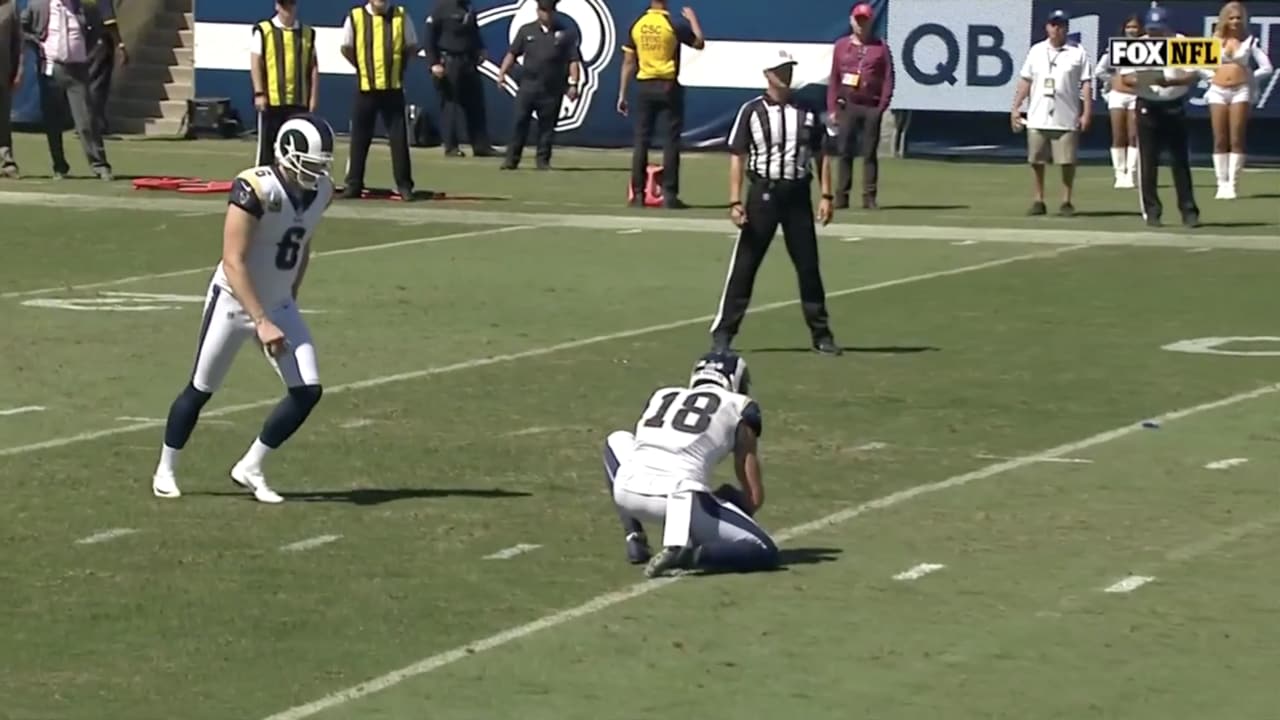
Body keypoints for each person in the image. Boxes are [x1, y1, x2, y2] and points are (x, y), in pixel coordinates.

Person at [151, 114, 336, 504]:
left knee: (307, 390)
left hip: (277, 303)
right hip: (234, 301)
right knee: (201, 388)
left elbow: (302, 247)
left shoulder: (321, 191)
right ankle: (165, 468)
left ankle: (251, 466)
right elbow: (233, 260)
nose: (315, 172)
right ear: (286, 153)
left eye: (321, 165)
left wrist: (289, 298)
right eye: (310, 163)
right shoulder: (255, 187)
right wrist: (262, 320)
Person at [602, 351, 779, 577]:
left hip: (626, 490)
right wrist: (731, 501)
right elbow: (754, 497)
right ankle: (689, 554)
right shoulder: (740, 405)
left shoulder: (663, 394)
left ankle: (634, 536)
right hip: (679, 500)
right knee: (765, 550)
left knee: (616, 439)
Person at [710, 50, 841, 357]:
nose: (785, 75)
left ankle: (821, 334)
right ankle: (724, 333)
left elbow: (821, 154)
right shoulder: (752, 111)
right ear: (767, 74)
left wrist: (826, 195)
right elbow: (737, 156)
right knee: (746, 265)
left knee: (808, 266)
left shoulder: (807, 111)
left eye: (789, 69)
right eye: (780, 70)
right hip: (763, 194)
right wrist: (734, 200)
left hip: (797, 194)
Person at [1118, 4, 1200, 228]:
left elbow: (1192, 75)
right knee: (1148, 161)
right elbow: (1126, 78)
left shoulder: (1181, 43)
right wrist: (1144, 80)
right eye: (1152, 29)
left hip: (1174, 105)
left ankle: (1188, 210)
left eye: (1159, 29)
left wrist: (1171, 81)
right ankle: (1152, 211)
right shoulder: (1137, 46)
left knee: (1180, 161)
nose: (1155, 33)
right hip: (1148, 105)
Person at [617, 0, 704, 209]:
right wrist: (692, 19)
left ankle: (637, 194)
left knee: (641, 141)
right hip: (667, 85)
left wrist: (622, 94)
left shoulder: (638, 25)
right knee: (671, 141)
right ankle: (669, 194)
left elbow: (629, 62)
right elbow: (699, 43)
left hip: (645, 86)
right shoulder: (673, 25)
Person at [1009, 9, 1092, 216]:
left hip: (1067, 115)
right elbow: (1025, 80)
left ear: (1066, 28)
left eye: (1061, 25)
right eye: (1053, 24)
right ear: (1047, 27)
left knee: (1067, 161)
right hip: (1038, 114)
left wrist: (1086, 112)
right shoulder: (1036, 50)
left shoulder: (1078, 52)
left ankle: (1066, 200)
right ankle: (1038, 199)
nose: (1057, 29)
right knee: (1036, 160)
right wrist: (1016, 107)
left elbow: (1086, 84)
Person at [21, 0, 113, 180]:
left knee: (86, 120)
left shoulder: (86, 7)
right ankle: (59, 166)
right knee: (53, 122)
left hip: (77, 69)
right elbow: (23, 28)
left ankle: (99, 164)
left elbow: (95, 31)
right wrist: (37, 43)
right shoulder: (38, 5)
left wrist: (82, 50)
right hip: (50, 68)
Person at [340, 0, 417, 201]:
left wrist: (398, 68)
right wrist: (363, 67)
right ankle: (354, 184)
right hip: (366, 89)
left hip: (393, 88)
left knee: (398, 139)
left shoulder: (401, 16)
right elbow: (347, 48)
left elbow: (411, 46)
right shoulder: (356, 17)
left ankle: (404, 185)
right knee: (359, 138)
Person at [496, 0, 582, 170]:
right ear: (537, 12)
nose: (546, 15)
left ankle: (543, 161)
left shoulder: (564, 33)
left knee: (547, 127)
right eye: (543, 11)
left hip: (552, 88)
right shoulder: (526, 31)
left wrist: (573, 83)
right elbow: (512, 54)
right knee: (520, 122)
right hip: (528, 86)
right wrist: (502, 73)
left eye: (549, 11)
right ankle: (511, 159)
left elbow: (573, 60)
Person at [826, 2, 894, 210]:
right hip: (848, 105)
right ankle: (841, 195)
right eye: (858, 21)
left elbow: (888, 79)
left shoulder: (880, 48)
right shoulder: (841, 46)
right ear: (851, 21)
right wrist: (832, 109)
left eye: (865, 21)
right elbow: (835, 79)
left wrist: (882, 106)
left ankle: (869, 196)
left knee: (869, 152)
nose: (861, 25)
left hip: (870, 106)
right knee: (845, 151)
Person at [1205, 1, 1273, 200]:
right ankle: (1220, 182)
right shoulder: (1214, 40)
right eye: (1231, 18)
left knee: (1236, 138)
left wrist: (1249, 76)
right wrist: (1210, 76)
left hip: (1240, 90)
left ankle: (1232, 184)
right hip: (1217, 90)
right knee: (1219, 138)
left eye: (1238, 18)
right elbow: (1198, 65)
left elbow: (1266, 67)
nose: (1235, 21)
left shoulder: (1250, 41)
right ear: (1224, 19)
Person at [250, 0, 318, 167]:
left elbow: (313, 67)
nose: (287, 10)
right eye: (284, 6)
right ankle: (264, 185)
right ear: (277, 6)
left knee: (297, 148)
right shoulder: (264, 30)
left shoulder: (307, 33)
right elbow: (255, 62)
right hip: (272, 101)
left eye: (291, 5)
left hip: (298, 101)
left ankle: (295, 187)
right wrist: (259, 93)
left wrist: (313, 98)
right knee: (267, 148)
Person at [425, 0, 494, 158]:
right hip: (449, 61)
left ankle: (481, 145)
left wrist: (481, 49)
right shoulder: (441, 8)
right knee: (450, 105)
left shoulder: (469, 7)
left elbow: (474, 33)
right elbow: (429, 37)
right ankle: (451, 146)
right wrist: (433, 63)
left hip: (468, 61)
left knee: (476, 104)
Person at [1094, 15, 1143, 189]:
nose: (1132, 30)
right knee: (1118, 134)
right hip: (1118, 95)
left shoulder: (1146, 48)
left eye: (1135, 27)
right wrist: (1112, 79)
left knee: (1133, 135)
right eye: (1129, 27)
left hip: (1136, 96)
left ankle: (1131, 173)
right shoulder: (1116, 47)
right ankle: (1119, 173)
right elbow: (1099, 70)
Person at [82, 0, 125, 138]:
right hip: (100, 41)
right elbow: (109, 21)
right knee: (98, 83)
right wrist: (120, 45)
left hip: (84, 40)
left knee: (87, 81)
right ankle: (95, 124)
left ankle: (85, 122)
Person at [1, 0, 20, 178]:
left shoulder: (10, 8)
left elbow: (17, 44)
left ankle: (7, 162)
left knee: (3, 121)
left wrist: (18, 72)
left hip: (3, 73)